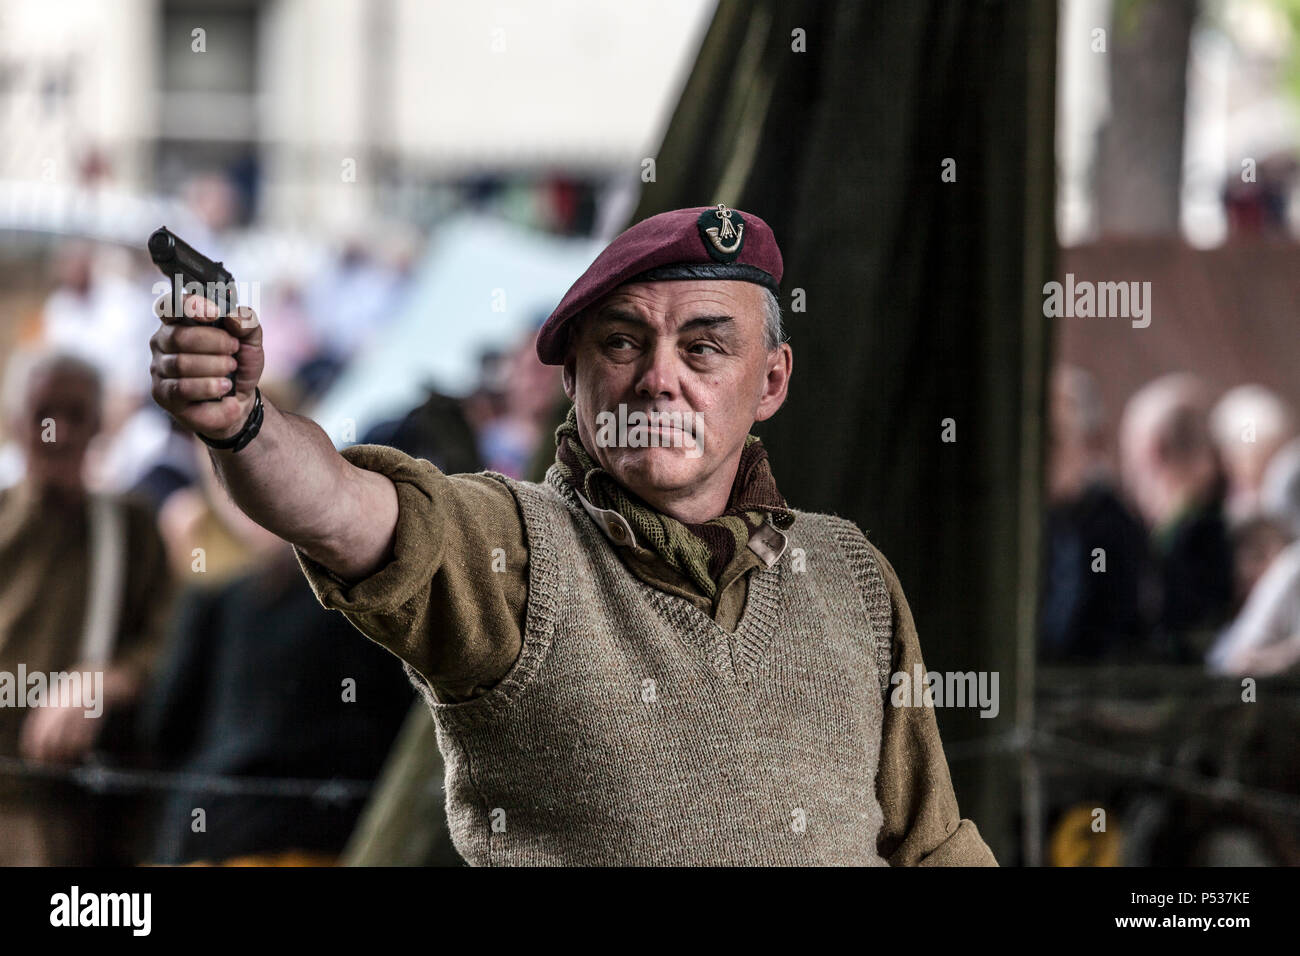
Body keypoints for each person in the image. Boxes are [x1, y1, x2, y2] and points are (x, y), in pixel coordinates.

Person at [148, 204, 996, 866]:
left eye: (704, 349)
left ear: (770, 380)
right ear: (573, 379)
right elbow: (342, 507)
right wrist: (243, 424)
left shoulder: (849, 571)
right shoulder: (516, 549)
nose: (660, 378)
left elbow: (932, 843)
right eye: (624, 342)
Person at [0, 350, 174, 864]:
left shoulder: (131, 528)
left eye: (77, 415)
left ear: (101, 425)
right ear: (15, 422)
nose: (60, 432)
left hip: (66, 808)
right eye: (43, 414)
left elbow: (171, 644)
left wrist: (108, 678)